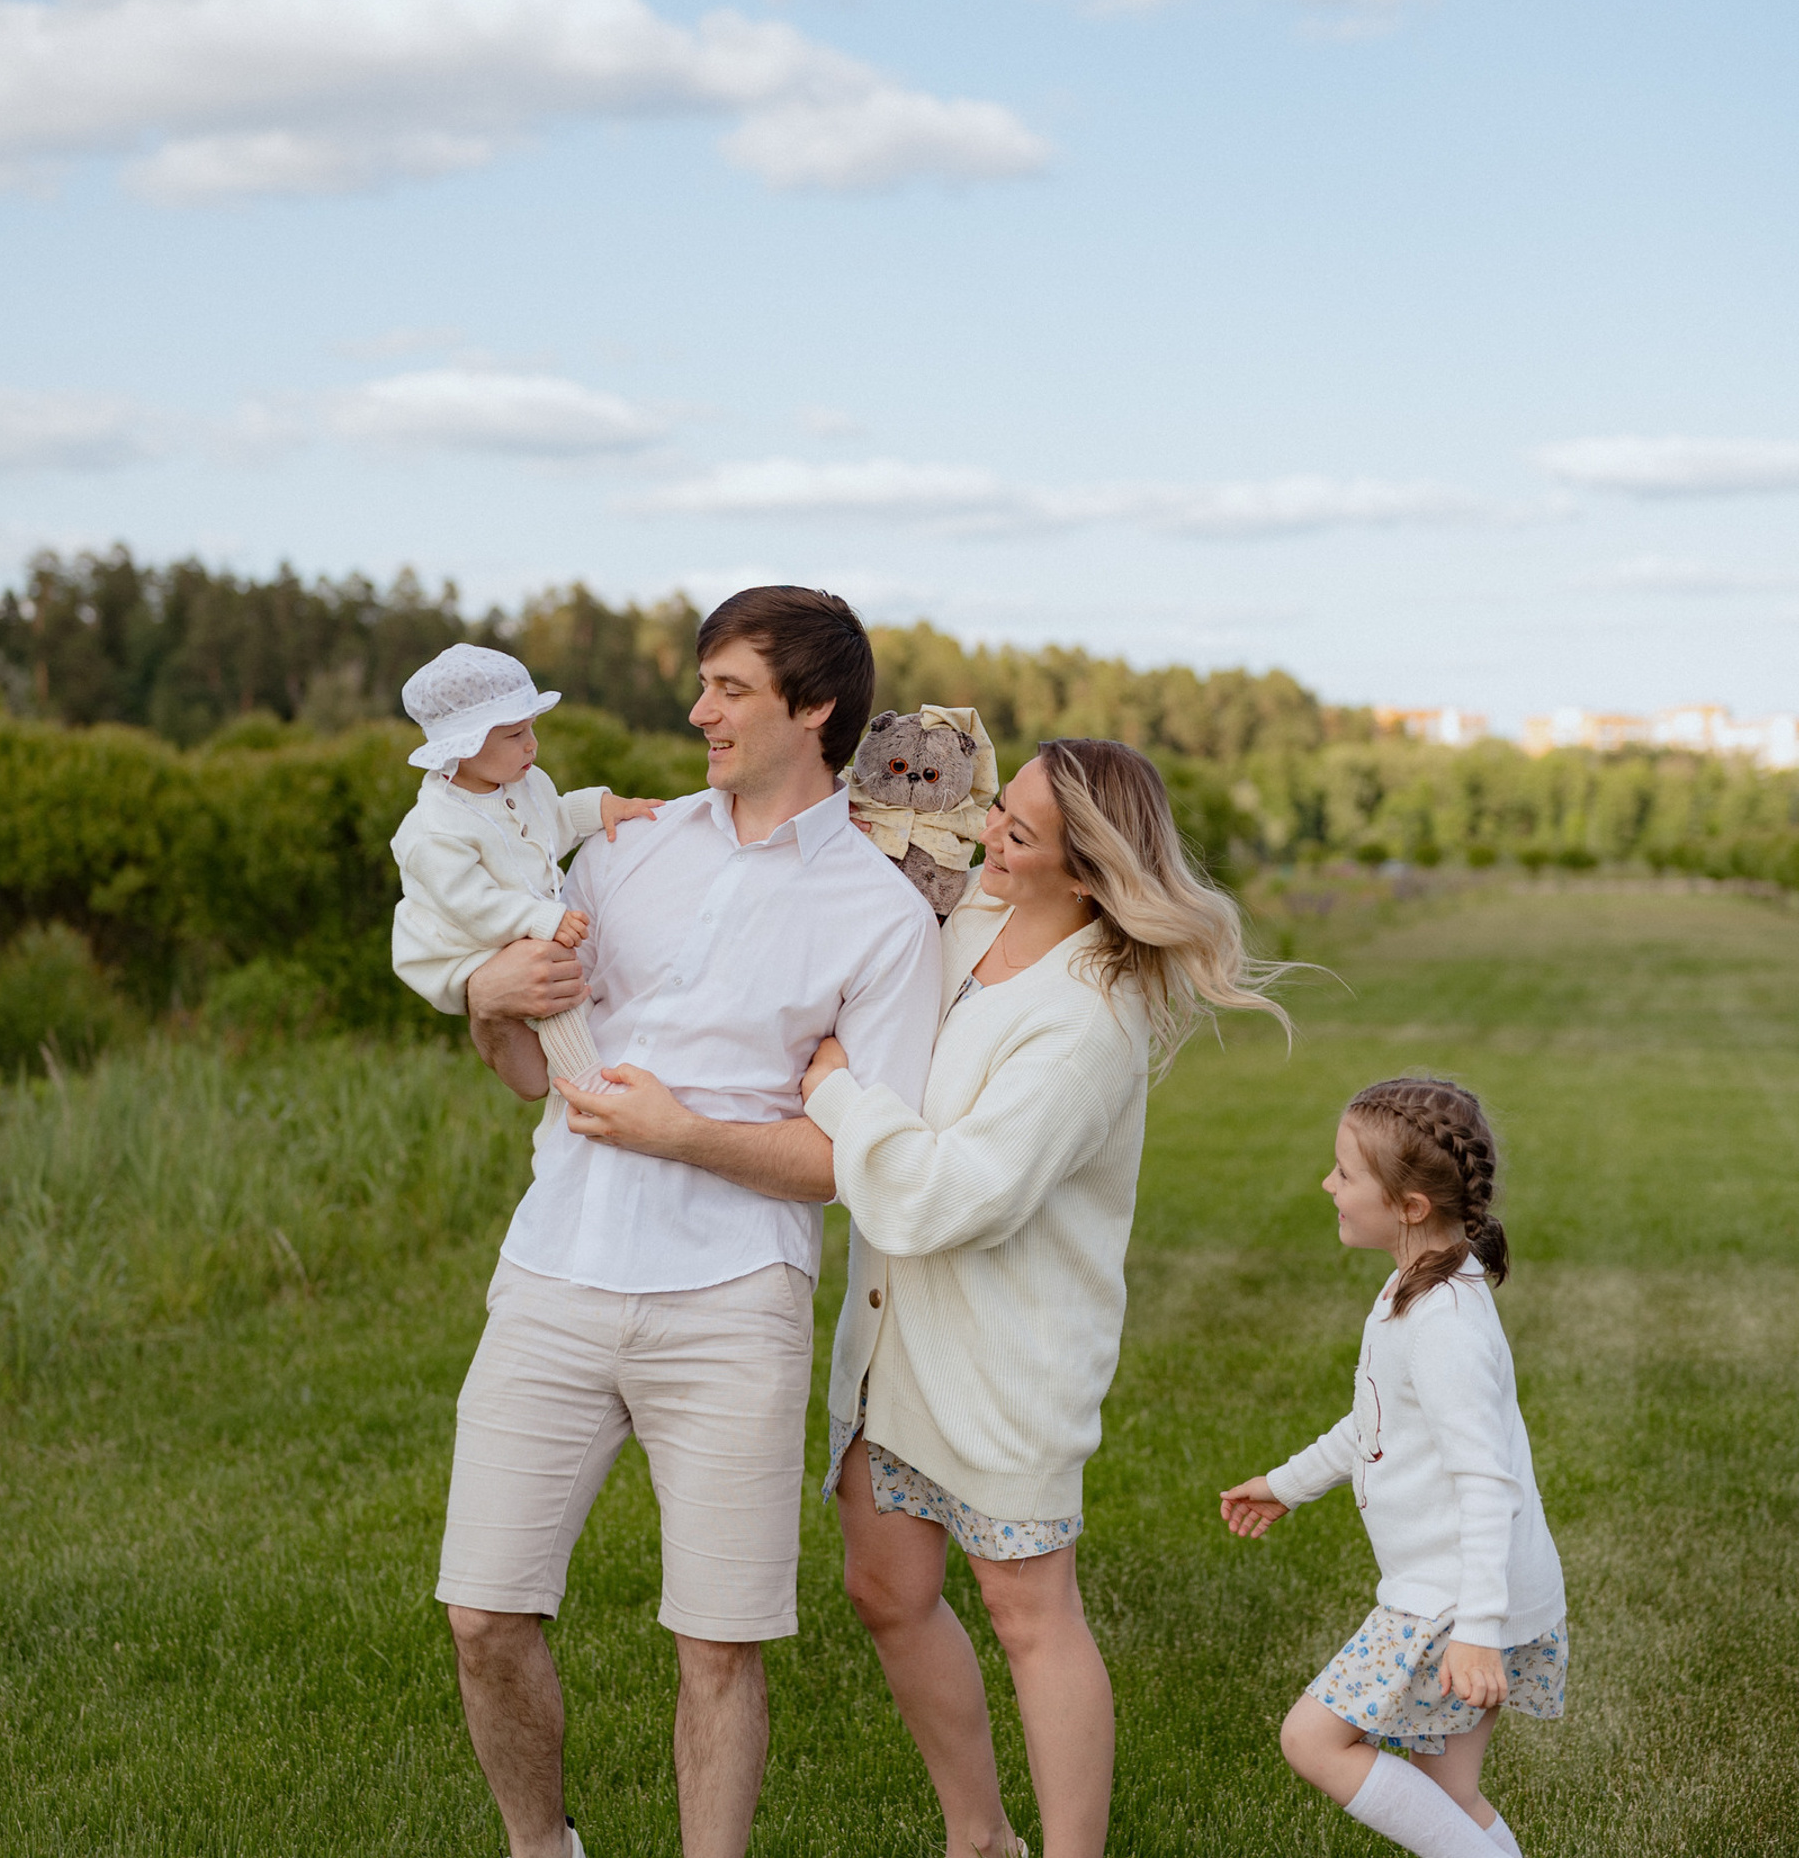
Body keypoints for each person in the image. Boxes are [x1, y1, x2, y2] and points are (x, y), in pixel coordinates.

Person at [435, 587, 943, 1858]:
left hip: (732, 1300)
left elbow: (852, 1164)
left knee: (716, 1644)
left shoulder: (880, 916)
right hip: (552, 1270)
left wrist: (687, 1136)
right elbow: (526, 1067)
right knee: (484, 1613)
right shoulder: (624, 849)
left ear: (813, 709)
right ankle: (540, 1847)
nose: (698, 710)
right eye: (704, 684)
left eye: (729, 689)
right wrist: (488, 999)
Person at [797, 739, 1287, 1858]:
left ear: (1091, 874)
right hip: (895, 1342)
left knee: (1030, 1616)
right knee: (884, 1589)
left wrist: (838, 1098)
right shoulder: (978, 916)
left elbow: (946, 1195)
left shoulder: (1088, 1024)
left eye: (1017, 833)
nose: (988, 840)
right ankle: (981, 1841)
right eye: (996, 813)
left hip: (1007, 1364)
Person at [1219, 1079, 1566, 1858]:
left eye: (1345, 1174)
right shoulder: (1417, 1284)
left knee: (1312, 1740)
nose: (1327, 1185)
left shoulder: (1442, 1323)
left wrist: (1475, 1632)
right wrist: (1286, 1484)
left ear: (1409, 1206)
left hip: (1454, 1600)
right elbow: (1375, 1424)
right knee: (1450, 1796)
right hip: (1478, 1590)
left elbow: (1487, 1484)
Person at [390, 643, 661, 1099]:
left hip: (511, 922)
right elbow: (470, 905)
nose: (532, 744)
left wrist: (602, 806)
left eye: (531, 728)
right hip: (460, 943)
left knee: (572, 969)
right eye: (515, 734)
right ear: (464, 748)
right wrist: (541, 920)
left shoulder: (524, 781)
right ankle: (589, 1083)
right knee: (554, 989)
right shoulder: (434, 829)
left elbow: (554, 821)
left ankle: (608, 1048)